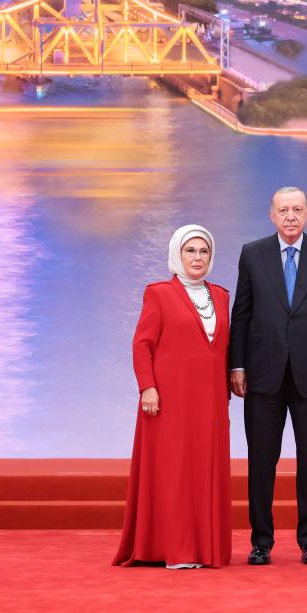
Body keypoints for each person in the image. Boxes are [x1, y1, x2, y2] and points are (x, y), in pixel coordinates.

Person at [229, 187, 307, 566]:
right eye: (283, 210)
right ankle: (261, 541)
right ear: (272, 215)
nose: (291, 216)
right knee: (261, 461)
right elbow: (241, 313)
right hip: (262, 374)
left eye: (297, 209)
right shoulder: (253, 253)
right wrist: (237, 365)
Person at [113, 225, 232, 569]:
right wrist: (147, 387)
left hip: (210, 401)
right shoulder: (159, 293)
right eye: (190, 251)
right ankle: (173, 548)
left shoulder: (221, 296)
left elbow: (224, 347)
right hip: (168, 399)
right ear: (177, 255)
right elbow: (142, 344)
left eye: (204, 251)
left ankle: (204, 549)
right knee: (173, 472)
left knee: (204, 471)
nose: (197, 257)